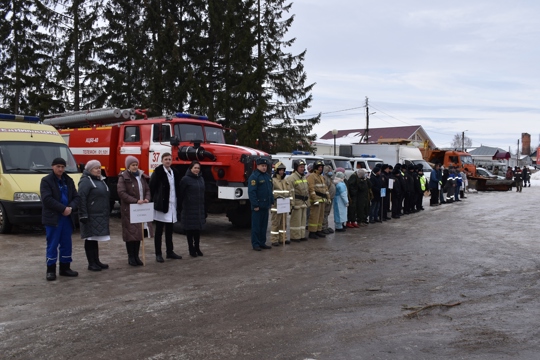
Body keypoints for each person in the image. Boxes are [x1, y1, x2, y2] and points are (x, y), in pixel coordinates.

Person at [41, 157, 80, 281]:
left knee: (66, 243)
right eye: (58, 166)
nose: (61, 169)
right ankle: (50, 269)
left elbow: (76, 197)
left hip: (67, 218)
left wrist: (71, 208)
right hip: (54, 218)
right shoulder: (46, 181)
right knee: (52, 244)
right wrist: (62, 209)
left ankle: (65, 268)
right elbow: (47, 199)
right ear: (53, 167)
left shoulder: (68, 180)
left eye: (63, 167)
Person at [118, 155, 154, 266]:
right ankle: (131, 257)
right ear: (128, 166)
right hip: (129, 209)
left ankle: (137, 256)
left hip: (140, 209)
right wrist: (135, 200)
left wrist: (147, 198)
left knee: (139, 233)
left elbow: (147, 189)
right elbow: (122, 193)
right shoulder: (123, 177)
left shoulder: (141, 176)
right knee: (130, 234)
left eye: (136, 165)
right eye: (133, 165)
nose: (135, 167)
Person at [78, 159, 110, 272]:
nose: (98, 170)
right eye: (96, 168)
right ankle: (91, 263)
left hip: (100, 214)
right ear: (90, 169)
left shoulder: (99, 180)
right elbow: (81, 198)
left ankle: (96, 261)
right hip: (90, 215)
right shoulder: (85, 181)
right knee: (90, 239)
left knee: (95, 238)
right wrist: (83, 215)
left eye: (99, 168)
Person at [150, 152, 182, 262]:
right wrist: (152, 201)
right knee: (159, 230)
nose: (168, 161)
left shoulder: (175, 172)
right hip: (161, 205)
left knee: (170, 230)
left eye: (169, 159)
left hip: (172, 204)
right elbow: (152, 187)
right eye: (166, 159)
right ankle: (158, 253)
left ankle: (170, 251)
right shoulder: (158, 172)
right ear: (162, 161)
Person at [178, 161, 206, 257]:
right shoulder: (185, 179)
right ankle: (191, 249)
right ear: (190, 169)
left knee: (197, 230)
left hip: (199, 208)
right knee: (190, 230)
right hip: (189, 208)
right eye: (195, 168)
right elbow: (181, 194)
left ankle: (197, 247)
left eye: (198, 168)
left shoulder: (201, 179)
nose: (196, 170)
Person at [248, 158, 273, 251]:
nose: (264, 167)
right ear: (257, 166)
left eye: (265, 166)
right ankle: (255, 244)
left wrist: (271, 201)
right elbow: (252, 192)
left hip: (265, 205)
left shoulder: (267, 176)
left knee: (264, 226)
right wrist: (255, 205)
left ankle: (262, 242)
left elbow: (270, 190)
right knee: (256, 227)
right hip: (258, 206)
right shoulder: (254, 177)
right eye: (262, 166)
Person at [286, 159, 310, 242]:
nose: (303, 169)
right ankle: (295, 236)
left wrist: (308, 202)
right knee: (296, 221)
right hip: (296, 202)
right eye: (301, 167)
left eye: (303, 167)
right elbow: (290, 192)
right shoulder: (291, 178)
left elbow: (307, 190)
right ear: (296, 168)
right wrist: (291, 204)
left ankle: (301, 235)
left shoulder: (303, 176)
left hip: (304, 202)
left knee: (302, 221)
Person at [270, 161, 292, 246]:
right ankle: (274, 240)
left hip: (284, 205)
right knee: (275, 223)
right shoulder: (273, 181)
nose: (281, 172)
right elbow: (271, 192)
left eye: (283, 170)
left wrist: (290, 203)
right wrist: (277, 196)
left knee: (283, 224)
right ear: (276, 170)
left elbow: (289, 192)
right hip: (276, 205)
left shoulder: (285, 181)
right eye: (280, 170)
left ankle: (283, 238)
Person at [306, 160, 329, 238]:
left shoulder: (321, 177)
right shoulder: (312, 176)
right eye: (319, 167)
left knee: (320, 216)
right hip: (316, 200)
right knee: (314, 217)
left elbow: (325, 188)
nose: (320, 168)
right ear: (315, 167)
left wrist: (328, 197)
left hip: (322, 199)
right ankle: (312, 232)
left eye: (321, 167)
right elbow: (311, 188)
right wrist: (314, 199)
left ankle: (318, 230)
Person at [321, 165, 336, 234]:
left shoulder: (330, 178)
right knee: (324, 213)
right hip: (326, 198)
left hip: (330, 198)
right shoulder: (325, 178)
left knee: (327, 213)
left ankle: (326, 226)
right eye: (329, 170)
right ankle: (323, 227)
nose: (331, 172)